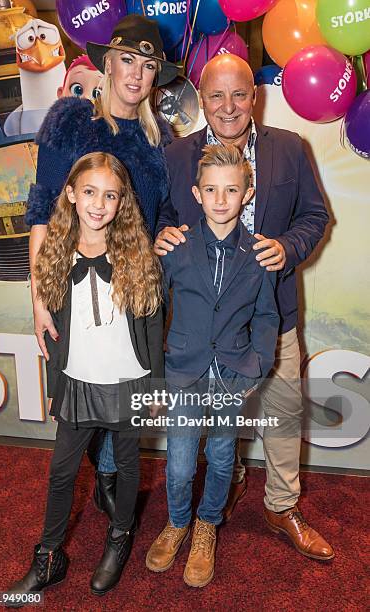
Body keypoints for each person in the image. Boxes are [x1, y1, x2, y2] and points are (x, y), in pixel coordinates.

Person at [155, 54, 334, 561]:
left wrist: (289, 248)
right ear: (201, 98)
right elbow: (162, 216)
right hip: (201, 325)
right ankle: (221, 490)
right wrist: (162, 234)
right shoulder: (177, 156)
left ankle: (282, 505)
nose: (228, 106)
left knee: (281, 411)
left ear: (254, 96)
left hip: (270, 312)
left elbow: (314, 217)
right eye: (216, 95)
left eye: (239, 94)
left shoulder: (290, 149)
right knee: (207, 435)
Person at [26, 15, 178, 521]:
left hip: (132, 292)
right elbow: (42, 209)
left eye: (149, 65)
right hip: (72, 290)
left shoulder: (162, 141)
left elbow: (165, 211)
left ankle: (110, 476)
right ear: (107, 63)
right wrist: (38, 296)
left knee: (125, 390)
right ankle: (100, 477)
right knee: (79, 398)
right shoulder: (71, 121)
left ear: (157, 76)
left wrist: (165, 233)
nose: (136, 75)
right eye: (128, 60)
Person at [7, 151, 164, 604]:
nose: (99, 204)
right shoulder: (55, 251)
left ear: (122, 202)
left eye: (110, 195)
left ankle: (119, 536)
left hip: (129, 378)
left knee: (130, 463)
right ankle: (50, 557)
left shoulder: (136, 252)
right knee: (61, 472)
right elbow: (54, 332)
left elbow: (153, 322)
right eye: (90, 192)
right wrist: (57, 384)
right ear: (72, 195)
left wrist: (153, 386)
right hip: (78, 379)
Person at [146, 144, 279, 587]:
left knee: (222, 458)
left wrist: (255, 368)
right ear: (196, 193)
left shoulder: (260, 257)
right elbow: (155, 311)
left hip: (231, 377)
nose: (221, 200)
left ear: (248, 193)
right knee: (181, 463)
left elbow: (266, 317)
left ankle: (207, 525)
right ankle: (178, 521)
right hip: (184, 372)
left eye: (231, 190)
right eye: (211, 190)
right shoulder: (176, 249)